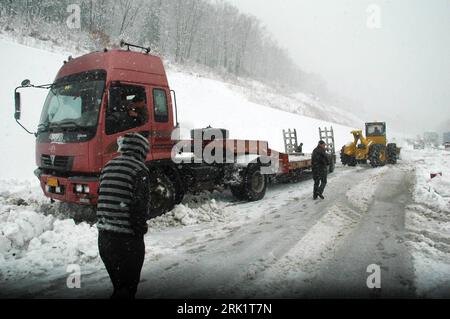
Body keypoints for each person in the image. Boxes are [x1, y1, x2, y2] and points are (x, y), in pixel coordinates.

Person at [96, 132, 150, 299]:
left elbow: (102, 196)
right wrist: (140, 231)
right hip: (126, 240)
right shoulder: (139, 169)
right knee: (128, 289)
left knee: (119, 287)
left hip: (104, 238)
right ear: (141, 151)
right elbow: (138, 206)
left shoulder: (108, 166)